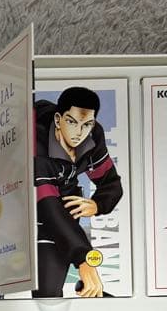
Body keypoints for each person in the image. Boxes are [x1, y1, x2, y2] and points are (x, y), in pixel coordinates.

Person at [33, 86, 123, 298]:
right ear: (58, 119)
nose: (79, 132)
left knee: (49, 294)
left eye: (87, 124)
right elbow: (48, 205)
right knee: (46, 294)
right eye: (72, 122)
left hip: (62, 204)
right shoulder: (35, 142)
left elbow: (111, 182)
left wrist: (98, 204)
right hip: (27, 205)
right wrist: (83, 259)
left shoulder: (93, 136)